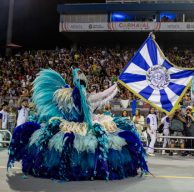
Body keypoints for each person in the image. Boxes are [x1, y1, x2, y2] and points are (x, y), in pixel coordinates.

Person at [7, 68, 148, 181]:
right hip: (73, 125)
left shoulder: (74, 96)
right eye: (82, 84)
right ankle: (83, 169)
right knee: (81, 145)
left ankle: (82, 169)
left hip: (84, 123)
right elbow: (101, 96)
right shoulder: (70, 95)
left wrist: (116, 85)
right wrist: (116, 85)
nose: (82, 87)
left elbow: (102, 96)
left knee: (91, 143)